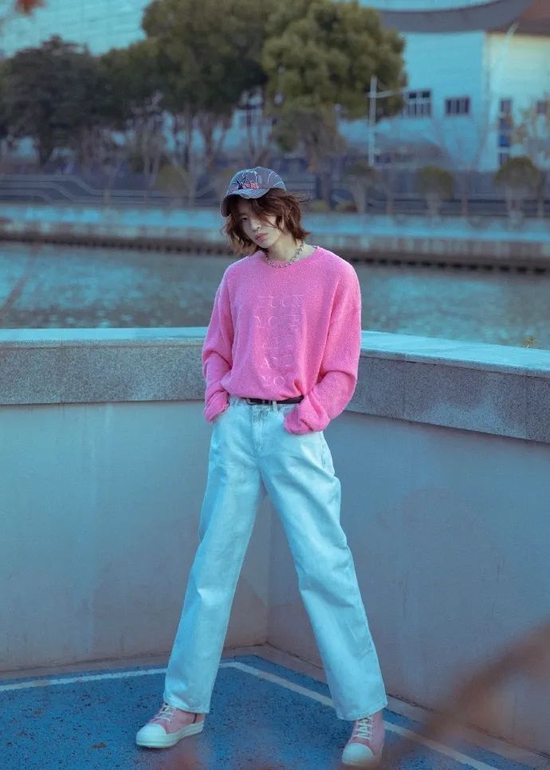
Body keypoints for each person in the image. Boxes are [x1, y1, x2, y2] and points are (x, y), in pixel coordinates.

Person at [136, 167, 387, 767]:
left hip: (296, 431)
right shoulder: (237, 277)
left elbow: (341, 367)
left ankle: (366, 714)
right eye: (242, 218)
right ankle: (184, 705)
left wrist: (308, 416)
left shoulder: (336, 275)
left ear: (284, 208)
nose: (254, 225)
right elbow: (216, 349)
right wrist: (218, 403)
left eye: (260, 212)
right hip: (237, 431)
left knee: (325, 568)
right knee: (211, 569)